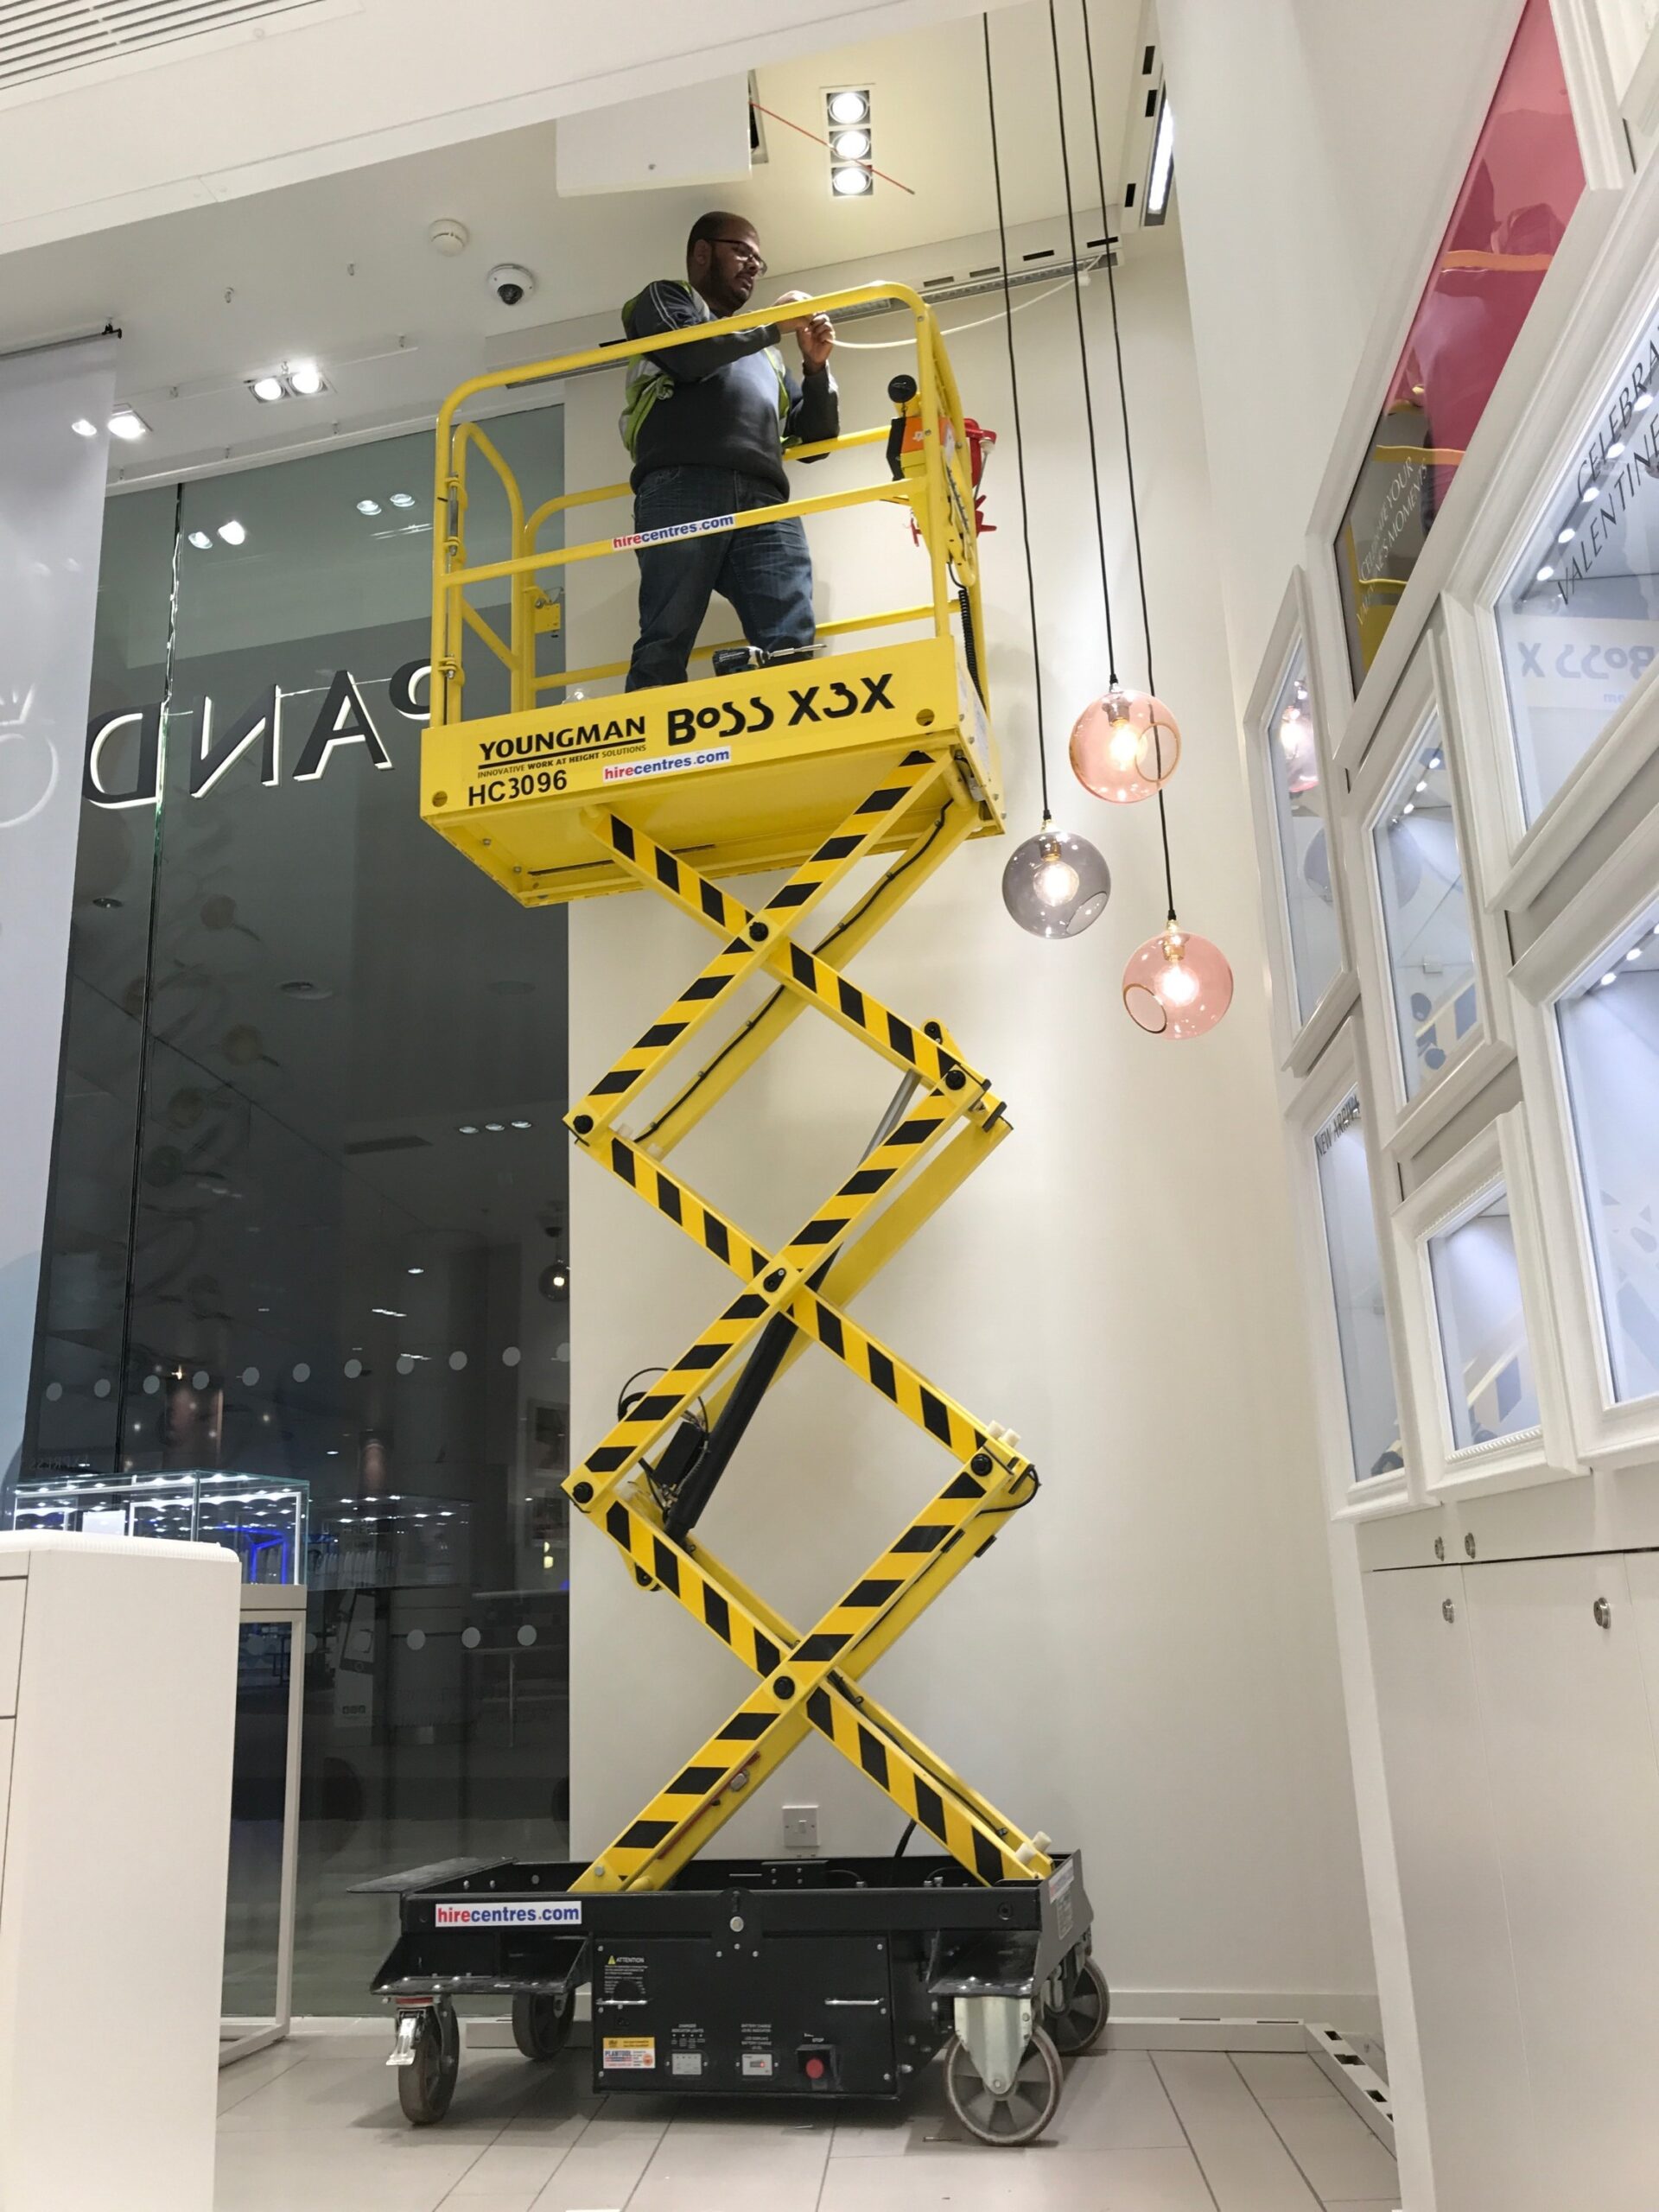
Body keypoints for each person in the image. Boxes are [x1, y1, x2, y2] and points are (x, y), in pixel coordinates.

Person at [619, 211, 838, 691]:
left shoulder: (767, 355)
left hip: (763, 498)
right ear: (702, 252)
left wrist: (815, 369)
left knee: (791, 641)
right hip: (681, 484)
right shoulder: (665, 299)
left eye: (759, 260)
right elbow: (686, 356)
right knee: (666, 634)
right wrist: (772, 324)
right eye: (742, 252)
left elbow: (817, 442)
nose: (754, 266)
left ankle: (798, 731)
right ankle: (648, 733)